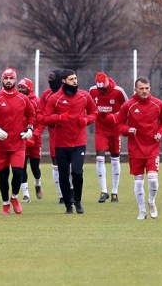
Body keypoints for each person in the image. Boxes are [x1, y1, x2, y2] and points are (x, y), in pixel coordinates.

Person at [111, 77, 162, 220]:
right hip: (136, 149)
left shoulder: (158, 104)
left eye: (147, 88)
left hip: (153, 148)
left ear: (150, 88)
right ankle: (142, 210)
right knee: (138, 181)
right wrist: (127, 130)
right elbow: (119, 124)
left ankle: (151, 201)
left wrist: (161, 132)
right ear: (135, 90)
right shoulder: (128, 105)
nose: (144, 91)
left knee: (152, 180)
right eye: (141, 88)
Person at [43, 69, 98, 215]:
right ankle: (68, 205)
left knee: (77, 172)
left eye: (75, 79)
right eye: (71, 79)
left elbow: (94, 112)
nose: (75, 81)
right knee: (63, 174)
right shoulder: (55, 98)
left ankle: (78, 201)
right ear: (63, 81)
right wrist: (59, 118)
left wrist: (86, 120)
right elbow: (44, 118)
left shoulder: (84, 96)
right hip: (61, 143)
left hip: (79, 142)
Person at [0, 68, 36, 215]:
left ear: (15, 80)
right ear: (2, 80)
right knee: (3, 175)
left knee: (17, 172)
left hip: (18, 143)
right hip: (1, 144)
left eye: (11, 78)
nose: (8, 80)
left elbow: (32, 115)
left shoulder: (23, 99)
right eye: (6, 78)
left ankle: (15, 197)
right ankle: (5, 203)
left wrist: (29, 129)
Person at [89, 72, 128, 203]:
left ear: (107, 84)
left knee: (115, 159)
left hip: (115, 129)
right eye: (100, 89)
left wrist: (116, 116)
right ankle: (103, 190)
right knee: (99, 158)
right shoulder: (92, 91)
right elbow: (89, 107)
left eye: (104, 89)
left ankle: (114, 191)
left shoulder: (118, 91)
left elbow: (127, 107)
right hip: (100, 129)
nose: (102, 91)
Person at [36, 70, 67, 204]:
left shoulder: (69, 92)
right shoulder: (46, 94)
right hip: (54, 135)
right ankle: (61, 195)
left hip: (70, 134)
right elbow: (40, 115)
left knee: (70, 167)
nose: (50, 82)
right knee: (56, 165)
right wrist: (52, 120)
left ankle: (70, 191)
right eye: (49, 79)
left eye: (53, 79)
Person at [17, 78, 44, 203]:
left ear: (29, 88)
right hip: (21, 140)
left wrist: (33, 136)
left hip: (34, 141)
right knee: (21, 167)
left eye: (23, 87)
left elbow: (40, 123)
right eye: (20, 87)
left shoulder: (36, 102)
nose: (21, 90)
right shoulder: (17, 101)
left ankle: (38, 183)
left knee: (35, 168)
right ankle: (26, 194)